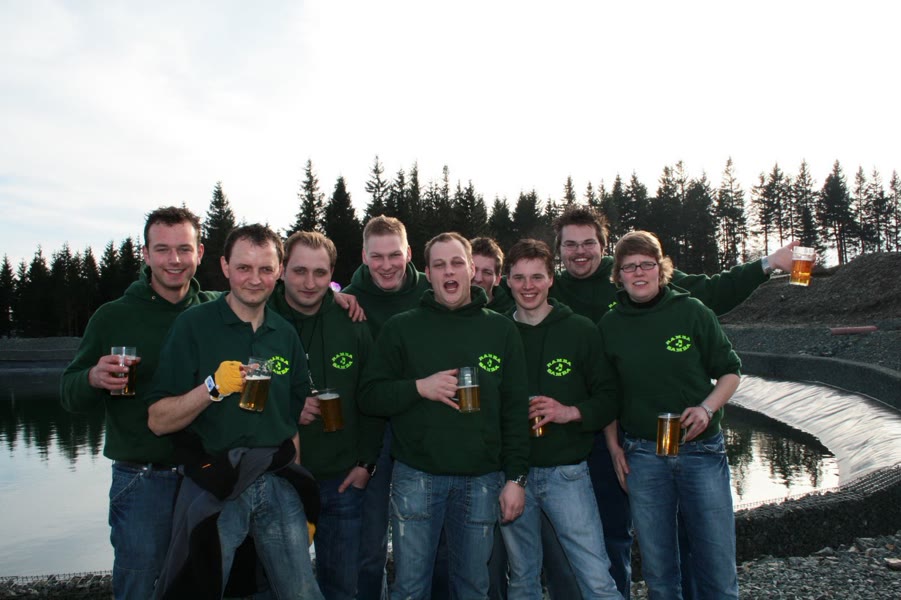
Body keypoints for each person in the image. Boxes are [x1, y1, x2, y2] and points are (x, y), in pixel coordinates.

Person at [546, 205, 796, 598]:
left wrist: (768, 263)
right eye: (570, 245)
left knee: (680, 537)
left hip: (648, 436)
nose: (580, 251)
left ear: (604, 247)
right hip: (586, 430)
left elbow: (712, 291)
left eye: (588, 243)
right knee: (604, 536)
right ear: (558, 250)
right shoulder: (549, 288)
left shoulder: (640, 270)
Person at [147, 224, 323, 599]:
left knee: (301, 592)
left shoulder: (284, 334)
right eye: (244, 267)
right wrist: (213, 388)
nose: (254, 279)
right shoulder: (194, 325)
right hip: (216, 483)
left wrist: (299, 488)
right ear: (225, 266)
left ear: (279, 271)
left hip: (276, 481)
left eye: (265, 269)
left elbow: (290, 421)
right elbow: (158, 421)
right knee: (201, 590)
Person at [359, 232, 530, 599]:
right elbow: (369, 396)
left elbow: (516, 411)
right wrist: (418, 388)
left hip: (482, 479)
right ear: (428, 273)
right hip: (417, 477)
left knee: (474, 587)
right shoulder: (402, 328)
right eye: (439, 265)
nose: (448, 271)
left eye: (456, 263)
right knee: (410, 588)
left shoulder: (500, 330)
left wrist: (516, 477)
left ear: (471, 270)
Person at [60, 206, 215, 600]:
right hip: (142, 479)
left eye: (184, 249)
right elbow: (69, 394)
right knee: (140, 586)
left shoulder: (216, 310)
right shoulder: (112, 316)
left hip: (207, 476)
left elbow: (281, 294)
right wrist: (92, 377)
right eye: (162, 249)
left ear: (200, 253)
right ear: (145, 254)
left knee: (204, 585)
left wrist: (340, 297)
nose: (174, 260)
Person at [598, 230, 741, 598]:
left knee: (717, 567)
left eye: (646, 264)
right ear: (618, 275)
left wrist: (707, 408)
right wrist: (614, 448)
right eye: (629, 267)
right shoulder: (610, 325)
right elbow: (607, 395)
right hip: (644, 456)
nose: (638, 273)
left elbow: (730, 372)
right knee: (660, 575)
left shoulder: (692, 311)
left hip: (701, 452)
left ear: (661, 269)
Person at [498, 239, 621, 599]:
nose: (528, 286)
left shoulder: (580, 330)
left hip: (566, 473)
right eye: (519, 278)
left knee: (595, 576)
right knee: (522, 579)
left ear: (552, 279)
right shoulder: (497, 332)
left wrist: (570, 412)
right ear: (507, 281)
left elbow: (609, 398)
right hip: (512, 474)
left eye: (537, 277)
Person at [269, 230, 380, 600]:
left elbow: (371, 396)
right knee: (279, 587)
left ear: (332, 273)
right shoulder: (261, 317)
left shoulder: (351, 320)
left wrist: (366, 463)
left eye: (320, 273)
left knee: (342, 587)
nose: (309, 282)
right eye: (299, 271)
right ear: (282, 270)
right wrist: (286, 407)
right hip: (278, 479)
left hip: (341, 479)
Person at [342, 215, 431, 599]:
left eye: (394, 255)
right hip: (371, 427)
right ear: (364, 257)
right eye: (376, 257)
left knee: (426, 530)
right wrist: (330, 295)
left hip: (423, 421)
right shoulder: (349, 298)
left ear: (408, 253)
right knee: (370, 536)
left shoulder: (431, 290)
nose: (386, 265)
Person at [471, 236, 515, 313]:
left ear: (497, 279)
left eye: (487, 273)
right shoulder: (449, 308)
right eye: (473, 270)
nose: (478, 279)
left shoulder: (510, 315)